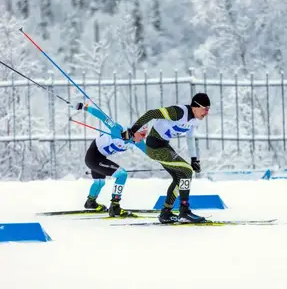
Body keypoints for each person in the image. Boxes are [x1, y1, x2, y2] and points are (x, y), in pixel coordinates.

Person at [121, 93, 210, 223]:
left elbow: (190, 137)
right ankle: (184, 211)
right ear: (195, 107)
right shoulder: (178, 112)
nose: (207, 112)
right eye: (205, 108)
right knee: (186, 171)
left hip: (164, 146)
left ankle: (166, 213)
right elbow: (151, 114)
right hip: (154, 147)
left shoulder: (195, 119)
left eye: (208, 109)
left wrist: (194, 159)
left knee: (180, 176)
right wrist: (133, 130)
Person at [74, 102, 147, 217]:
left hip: (100, 158)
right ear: (135, 131)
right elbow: (102, 116)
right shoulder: (117, 130)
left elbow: (152, 153)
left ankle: (90, 202)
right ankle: (115, 206)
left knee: (100, 182)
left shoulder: (137, 142)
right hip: (94, 156)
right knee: (122, 174)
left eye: (145, 134)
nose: (144, 137)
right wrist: (85, 107)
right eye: (142, 134)